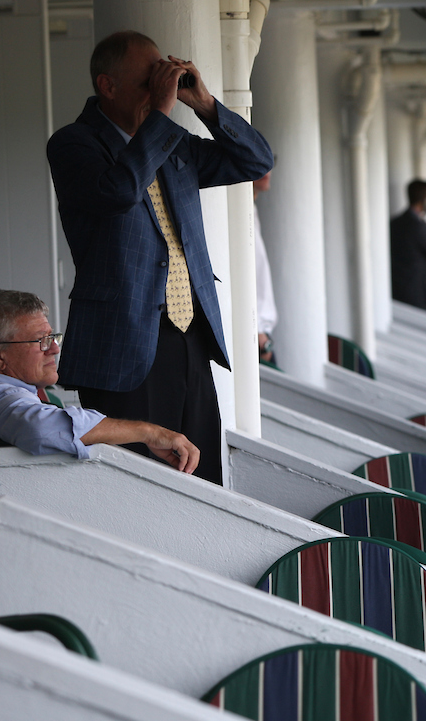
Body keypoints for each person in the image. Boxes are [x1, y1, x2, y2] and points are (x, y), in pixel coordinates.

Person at [46, 30, 273, 485]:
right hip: (121, 341)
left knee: (201, 473)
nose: (160, 94)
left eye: (163, 83)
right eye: (149, 84)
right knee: (139, 485)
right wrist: (163, 114)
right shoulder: (74, 144)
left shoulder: (174, 146)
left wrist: (204, 103)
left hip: (189, 332)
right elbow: (119, 191)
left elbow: (256, 162)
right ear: (107, 86)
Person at [0, 289, 199, 473]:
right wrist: (149, 433)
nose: (55, 349)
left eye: (53, 337)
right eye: (41, 341)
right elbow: (41, 428)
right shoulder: (0, 393)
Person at [389, 179, 426, 312]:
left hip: (398, 291)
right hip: (418, 294)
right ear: (425, 200)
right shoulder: (418, 227)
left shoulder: (394, 223)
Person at [254, 169, 278, 364]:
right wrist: (259, 331)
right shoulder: (236, 215)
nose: (267, 168)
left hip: (262, 336)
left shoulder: (251, 210)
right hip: (256, 338)